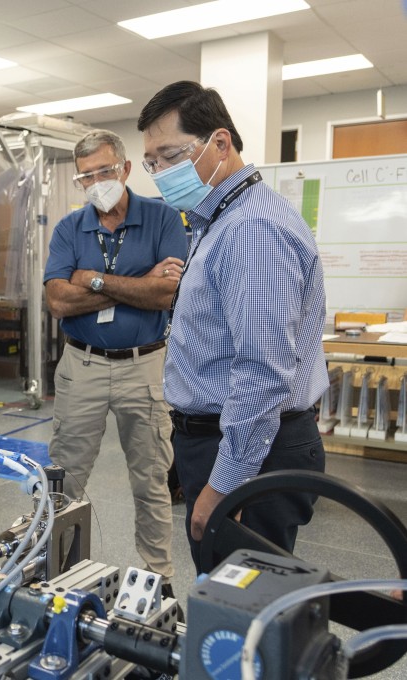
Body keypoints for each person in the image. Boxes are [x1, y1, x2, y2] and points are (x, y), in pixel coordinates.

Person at [137, 81, 327, 568]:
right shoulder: (218, 220)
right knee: (235, 597)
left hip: (249, 453)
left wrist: (225, 484)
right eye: (152, 163)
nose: (159, 174)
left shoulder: (252, 230)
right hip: (224, 442)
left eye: (169, 156)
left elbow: (264, 374)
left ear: (220, 144)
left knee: (243, 609)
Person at [44, 129, 187, 592]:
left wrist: (95, 281)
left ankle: (158, 579)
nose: (96, 182)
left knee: (151, 481)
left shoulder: (164, 219)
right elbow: (58, 302)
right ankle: (56, 574)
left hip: (143, 364)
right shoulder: (70, 228)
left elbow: (167, 291)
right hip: (81, 364)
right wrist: (135, 283)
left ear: (125, 169)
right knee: (65, 480)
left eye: (104, 171)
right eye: (86, 176)